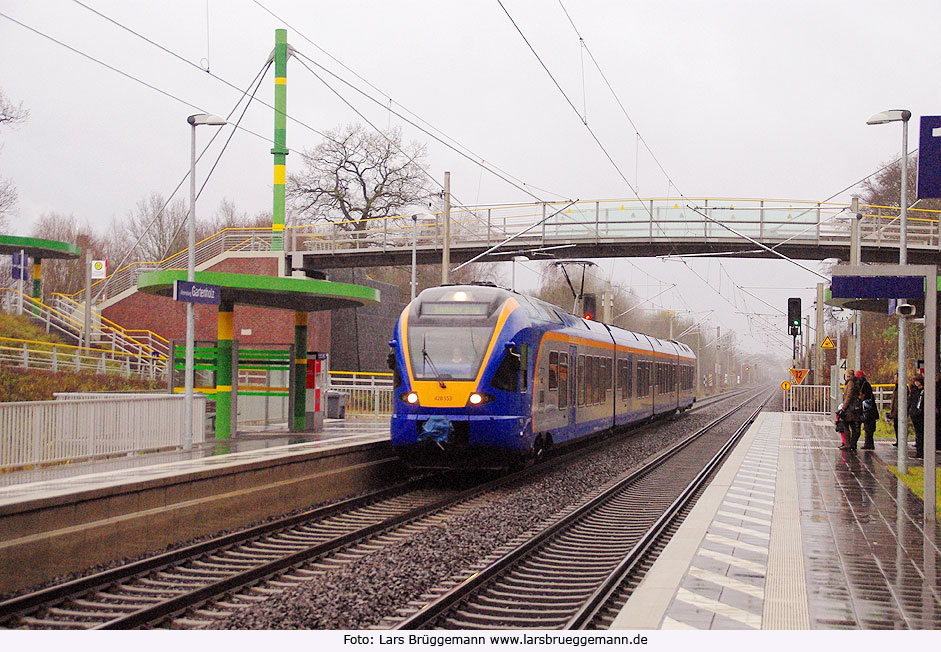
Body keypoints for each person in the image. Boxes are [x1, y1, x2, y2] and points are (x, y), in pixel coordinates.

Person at [838, 368, 863, 451]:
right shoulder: (855, 383)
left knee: (846, 425)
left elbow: (848, 396)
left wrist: (843, 407)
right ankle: (852, 444)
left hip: (850, 409)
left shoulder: (851, 383)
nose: (847, 377)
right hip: (852, 408)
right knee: (853, 426)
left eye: (848, 376)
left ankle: (849, 444)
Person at [856, 370, 877, 450]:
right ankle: (869, 443)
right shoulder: (866, 383)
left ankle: (868, 444)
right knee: (869, 427)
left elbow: (865, 396)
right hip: (870, 409)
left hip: (867, 409)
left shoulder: (862, 384)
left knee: (867, 426)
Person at [910, 374, 925, 458]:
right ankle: (919, 451)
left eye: (917, 381)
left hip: (919, 415)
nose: (916, 383)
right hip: (915, 414)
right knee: (918, 434)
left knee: (920, 434)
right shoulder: (915, 391)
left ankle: (921, 452)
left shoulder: (923, 392)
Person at [888, 372, 900, 447]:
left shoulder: (901, 388)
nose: (894, 379)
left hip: (899, 411)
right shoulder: (896, 387)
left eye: (895, 378)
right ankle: (898, 440)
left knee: (899, 426)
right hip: (895, 411)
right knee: (896, 426)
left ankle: (900, 440)